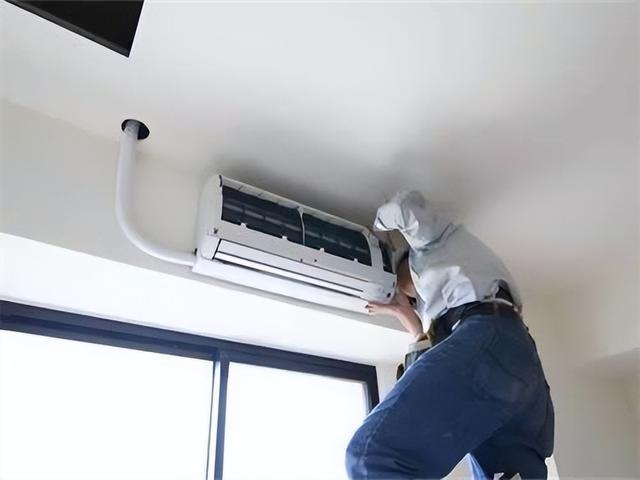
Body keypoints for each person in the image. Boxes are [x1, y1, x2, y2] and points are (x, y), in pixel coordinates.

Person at [345, 191, 554, 479]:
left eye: (407, 291)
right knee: (507, 473)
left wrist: (377, 236)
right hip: (513, 360)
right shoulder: (444, 311)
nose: (410, 296)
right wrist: (406, 316)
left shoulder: (435, 242)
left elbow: (405, 208)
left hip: (493, 339)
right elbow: (435, 358)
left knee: (373, 457)